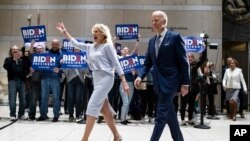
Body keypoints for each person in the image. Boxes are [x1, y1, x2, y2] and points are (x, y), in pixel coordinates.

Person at [56, 22, 129, 141]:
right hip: (96, 78)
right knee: (105, 110)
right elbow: (76, 43)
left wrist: (124, 81)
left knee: (91, 106)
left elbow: (116, 63)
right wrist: (65, 32)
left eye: (97, 31)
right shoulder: (91, 47)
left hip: (106, 78)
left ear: (103, 34)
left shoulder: (108, 46)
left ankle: (84, 139)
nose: (94, 34)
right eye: (93, 31)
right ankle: (117, 136)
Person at [134, 10, 189, 141]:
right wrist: (140, 76)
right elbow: (147, 63)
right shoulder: (152, 41)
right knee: (170, 116)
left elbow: (184, 62)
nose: (154, 23)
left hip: (171, 82)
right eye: (152, 20)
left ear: (164, 21)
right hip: (158, 83)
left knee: (160, 115)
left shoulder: (175, 37)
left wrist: (185, 83)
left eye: (156, 20)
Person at [3, 45, 31, 121]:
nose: (15, 51)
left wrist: (30, 71)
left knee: (23, 99)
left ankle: (21, 114)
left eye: (17, 50)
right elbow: (6, 67)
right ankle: (12, 115)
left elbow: (26, 71)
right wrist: (13, 60)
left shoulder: (22, 60)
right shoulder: (8, 59)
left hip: (22, 82)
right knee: (12, 99)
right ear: (11, 51)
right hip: (12, 81)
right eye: (14, 50)